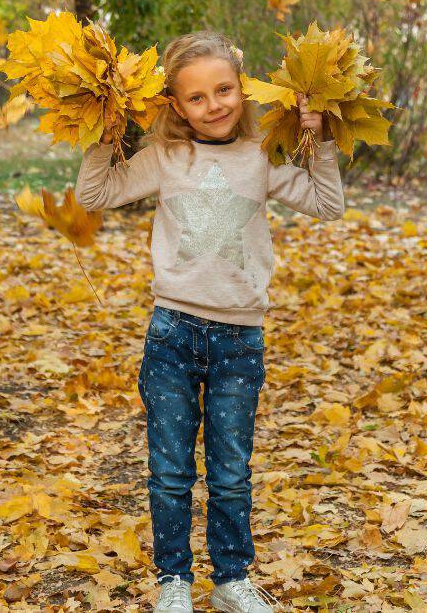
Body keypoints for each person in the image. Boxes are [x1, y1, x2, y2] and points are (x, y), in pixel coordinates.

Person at [74, 31, 344, 612]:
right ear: (175, 105)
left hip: (239, 341)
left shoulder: (261, 160)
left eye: (224, 90)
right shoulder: (166, 159)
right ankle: (174, 583)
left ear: (242, 89)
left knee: (229, 472)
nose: (214, 105)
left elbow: (328, 203)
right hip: (172, 335)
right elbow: (95, 194)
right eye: (196, 97)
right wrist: (104, 127)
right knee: (170, 471)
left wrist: (316, 136)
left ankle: (230, 580)